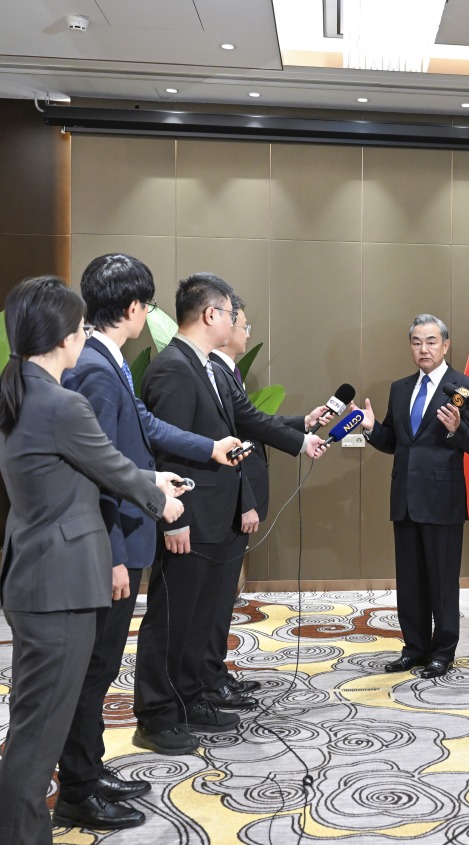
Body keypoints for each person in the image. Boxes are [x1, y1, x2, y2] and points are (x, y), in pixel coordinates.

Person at [0, 276, 184, 845]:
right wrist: (161, 499)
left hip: (36, 577)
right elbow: (111, 468)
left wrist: (149, 477)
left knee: (33, 728)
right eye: (79, 328)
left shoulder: (17, 390)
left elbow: (83, 466)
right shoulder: (61, 401)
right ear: (65, 338)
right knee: (36, 738)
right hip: (62, 584)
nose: (84, 336)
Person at [54, 254, 246, 831]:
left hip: (127, 537)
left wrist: (209, 448)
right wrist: (113, 553)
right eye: (149, 306)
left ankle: (90, 771)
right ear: (136, 309)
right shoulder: (93, 368)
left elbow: (143, 427)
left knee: (103, 666)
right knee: (94, 671)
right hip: (111, 549)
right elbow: (96, 470)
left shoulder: (109, 360)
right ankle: (79, 792)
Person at [132, 273, 325, 755]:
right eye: (231, 313)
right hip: (189, 517)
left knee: (199, 618)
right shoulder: (174, 368)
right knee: (172, 620)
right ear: (211, 315)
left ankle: (192, 697)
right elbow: (166, 450)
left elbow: (247, 420)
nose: (238, 321)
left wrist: (302, 438)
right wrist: (174, 518)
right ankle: (156, 714)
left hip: (217, 516)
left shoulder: (210, 368)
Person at [206, 301, 331, 706]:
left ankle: (216, 671)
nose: (245, 330)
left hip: (236, 503)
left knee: (223, 599)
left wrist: (302, 424)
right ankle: (210, 677)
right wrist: (300, 441)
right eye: (242, 323)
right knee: (216, 600)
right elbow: (241, 435)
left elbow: (253, 421)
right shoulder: (214, 373)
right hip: (226, 504)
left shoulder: (228, 373)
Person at [360, 314, 469, 679]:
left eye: (431, 341)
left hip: (442, 500)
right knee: (410, 582)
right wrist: (371, 430)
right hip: (404, 499)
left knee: (442, 582)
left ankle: (442, 652)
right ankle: (414, 648)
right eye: (416, 342)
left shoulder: (464, 388)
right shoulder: (400, 388)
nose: (423, 349)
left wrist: (459, 429)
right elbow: (394, 442)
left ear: (446, 345)